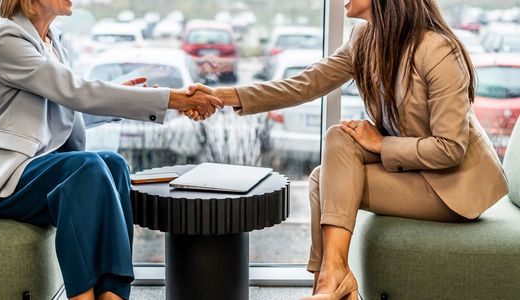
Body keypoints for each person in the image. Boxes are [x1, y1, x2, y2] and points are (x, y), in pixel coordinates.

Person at [185, 0, 509, 299]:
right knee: (329, 157)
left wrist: (381, 144)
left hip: (452, 187)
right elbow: (305, 83)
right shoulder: (364, 38)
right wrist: (221, 96)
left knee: (325, 175)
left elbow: (450, 149)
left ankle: (331, 281)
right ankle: (327, 280)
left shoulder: (438, 50)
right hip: (415, 169)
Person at [0, 1, 222, 300]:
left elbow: (66, 108)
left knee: (113, 164)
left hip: (38, 170)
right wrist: (170, 99)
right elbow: (76, 92)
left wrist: (129, 100)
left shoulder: (52, 40)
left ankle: (113, 295)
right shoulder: (7, 39)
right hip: (0, 180)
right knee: (87, 167)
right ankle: (82, 296)